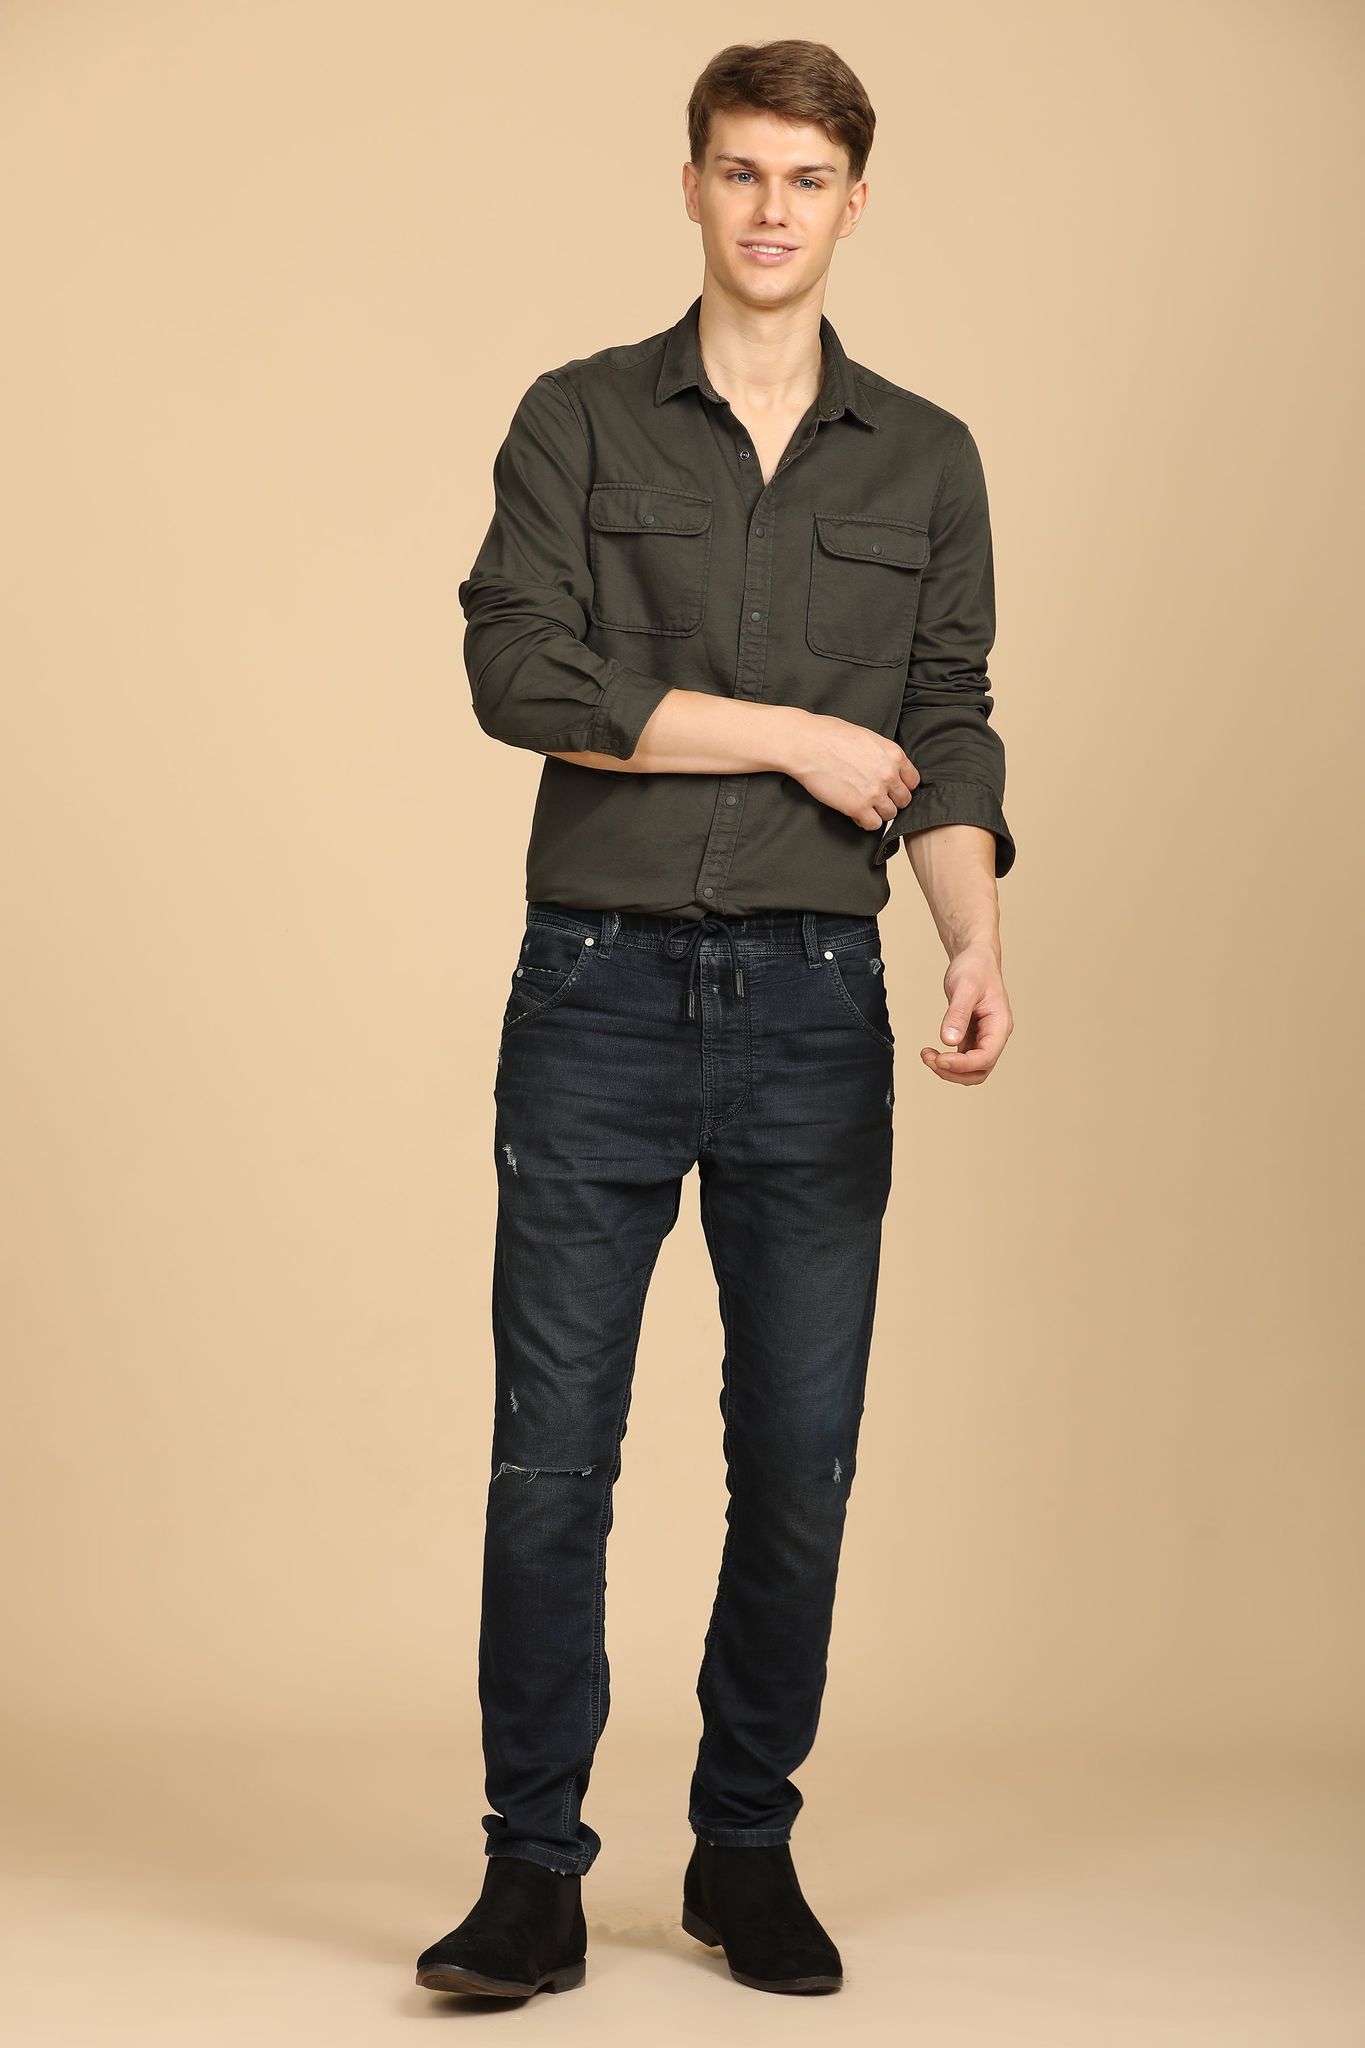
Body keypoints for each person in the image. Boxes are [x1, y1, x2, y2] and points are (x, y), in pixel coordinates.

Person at [416, 36, 1016, 2003]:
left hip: (815, 1008)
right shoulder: (578, 417)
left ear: (854, 203)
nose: (770, 208)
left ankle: (743, 1848)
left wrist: (970, 935)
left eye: (804, 178)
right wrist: (789, 736)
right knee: (549, 1460)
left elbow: (945, 728)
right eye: (740, 171)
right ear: (689, 184)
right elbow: (521, 673)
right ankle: (529, 1871)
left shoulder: (923, 458)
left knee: (800, 1454)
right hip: (592, 992)